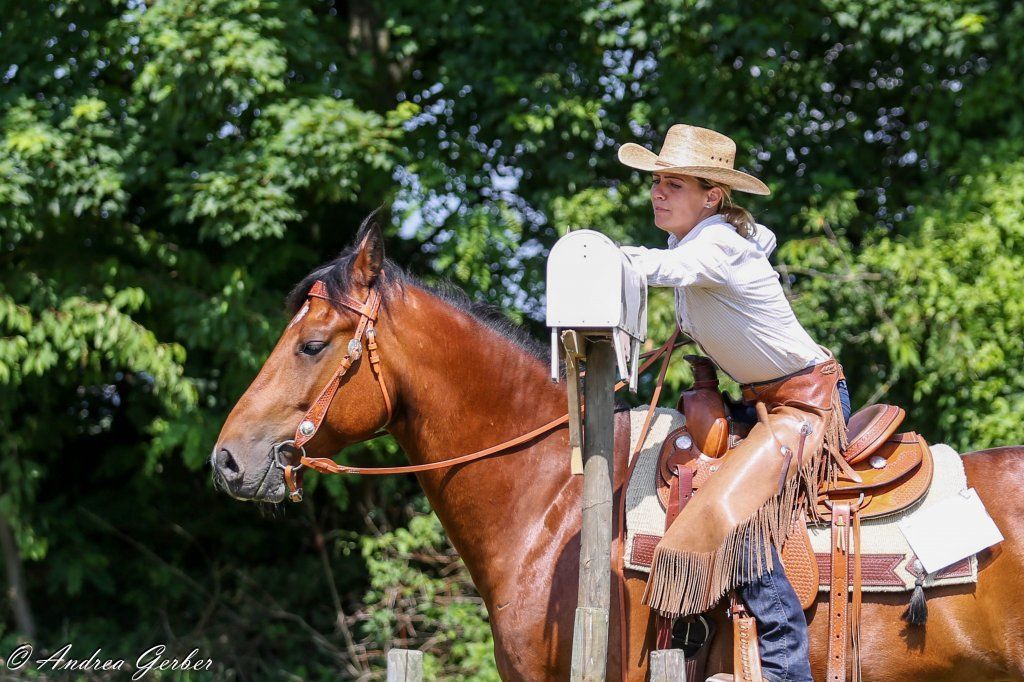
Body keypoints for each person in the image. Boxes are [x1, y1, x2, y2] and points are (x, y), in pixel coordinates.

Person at [617, 123, 851, 682]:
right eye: (656, 183)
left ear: (713, 196)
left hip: (808, 404)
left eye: (674, 183)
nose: (658, 193)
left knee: (737, 512)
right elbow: (754, 241)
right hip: (763, 401)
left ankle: (785, 670)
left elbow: (665, 270)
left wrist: (594, 255)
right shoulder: (704, 239)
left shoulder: (714, 242)